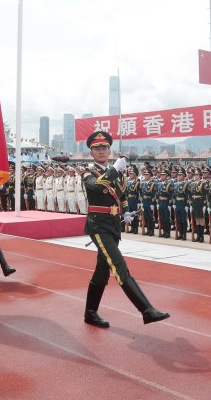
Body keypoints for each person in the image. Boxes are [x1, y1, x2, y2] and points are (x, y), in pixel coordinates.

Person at [81, 131, 169, 328]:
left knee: (102, 272)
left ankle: (90, 313)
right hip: (98, 226)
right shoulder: (88, 172)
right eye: (97, 149)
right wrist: (113, 169)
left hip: (112, 225)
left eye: (104, 148)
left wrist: (126, 212)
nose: (101, 151)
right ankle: (146, 310)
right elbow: (96, 187)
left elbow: (122, 194)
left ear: (109, 150)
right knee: (119, 266)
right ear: (91, 153)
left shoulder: (118, 174)